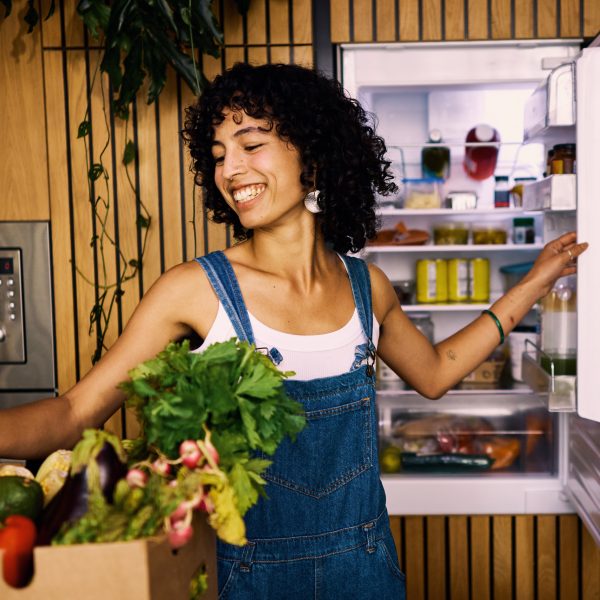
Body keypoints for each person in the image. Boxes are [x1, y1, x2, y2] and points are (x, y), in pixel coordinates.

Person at [0, 62, 588, 598]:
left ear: (312, 154)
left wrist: (533, 284)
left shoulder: (368, 287)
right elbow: (76, 413)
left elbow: (436, 374)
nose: (230, 169)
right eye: (218, 153)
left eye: (251, 144)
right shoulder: (194, 290)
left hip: (366, 571)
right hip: (247, 580)